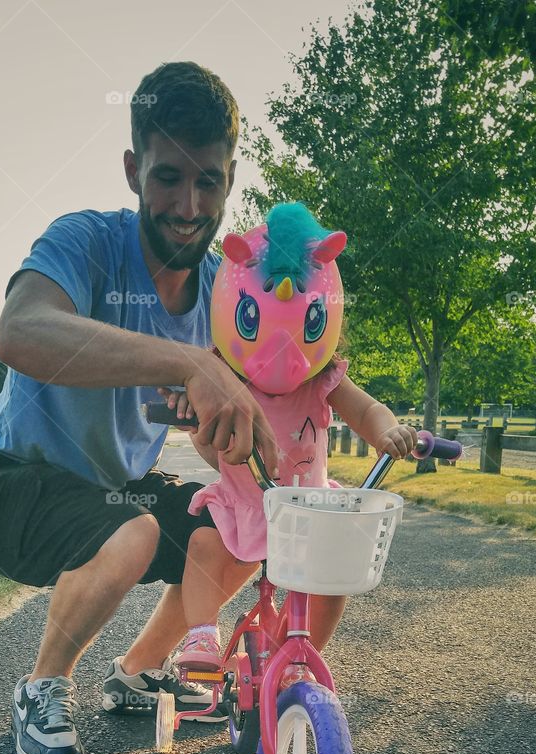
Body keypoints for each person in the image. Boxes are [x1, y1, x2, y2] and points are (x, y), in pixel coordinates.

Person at [0, 62, 280, 754]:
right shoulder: (85, 241)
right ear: (133, 170)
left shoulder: (222, 288)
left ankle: (137, 673)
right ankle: (41, 688)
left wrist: (257, 454)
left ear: (230, 180)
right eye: (167, 178)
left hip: (110, 487)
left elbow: (222, 406)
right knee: (132, 531)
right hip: (0, 482)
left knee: (233, 525)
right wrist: (186, 364)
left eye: (208, 182)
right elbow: (21, 331)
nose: (188, 205)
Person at [154, 202, 418, 672]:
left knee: (332, 581)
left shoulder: (324, 379)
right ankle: (202, 636)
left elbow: (366, 410)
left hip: (309, 507)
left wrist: (388, 431)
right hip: (244, 506)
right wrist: (195, 422)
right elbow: (207, 439)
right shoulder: (223, 378)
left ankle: (299, 654)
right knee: (203, 547)